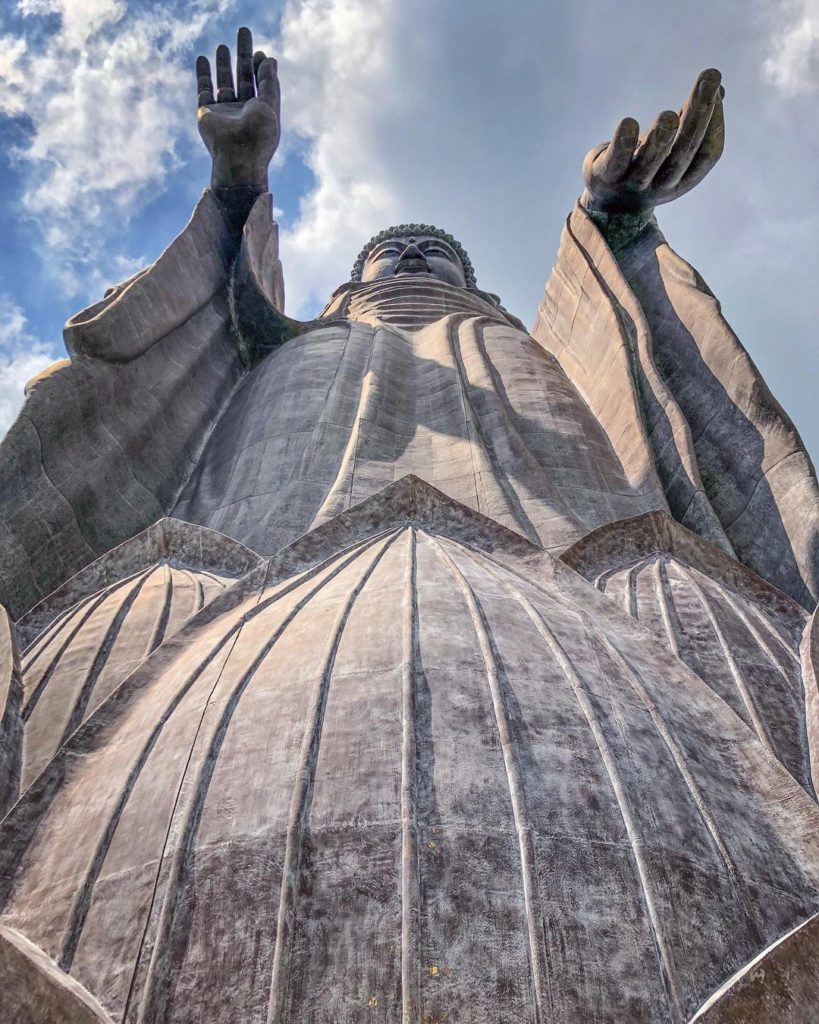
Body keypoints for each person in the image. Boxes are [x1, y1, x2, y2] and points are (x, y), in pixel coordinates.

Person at [1, 28, 818, 1024]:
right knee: (167, 589)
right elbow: (211, 318)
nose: (418, 259)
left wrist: (618, 227)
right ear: (350, 279)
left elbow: (654, 397)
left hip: (602, 589)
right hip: (235, 596)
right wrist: (234, 186)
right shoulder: (289, 338)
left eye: (440, 255)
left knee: (658, 575)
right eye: (397, 253)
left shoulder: (521, 345)